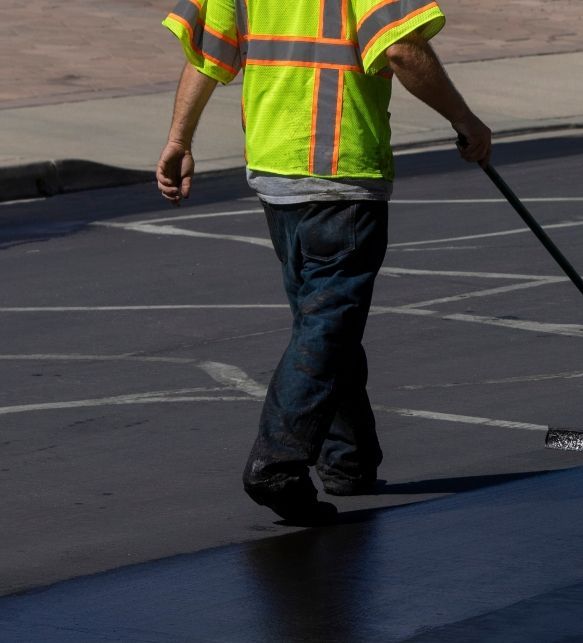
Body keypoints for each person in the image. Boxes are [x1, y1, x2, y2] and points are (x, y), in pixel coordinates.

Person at [156, 0, 491, 524]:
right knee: (327, 324)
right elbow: (401, 48)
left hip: (274, 168)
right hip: (340, 169)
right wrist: (466, 119)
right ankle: (278, 462)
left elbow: (207, 54)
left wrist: (179, 139)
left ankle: (348, 461)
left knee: (325, 322)